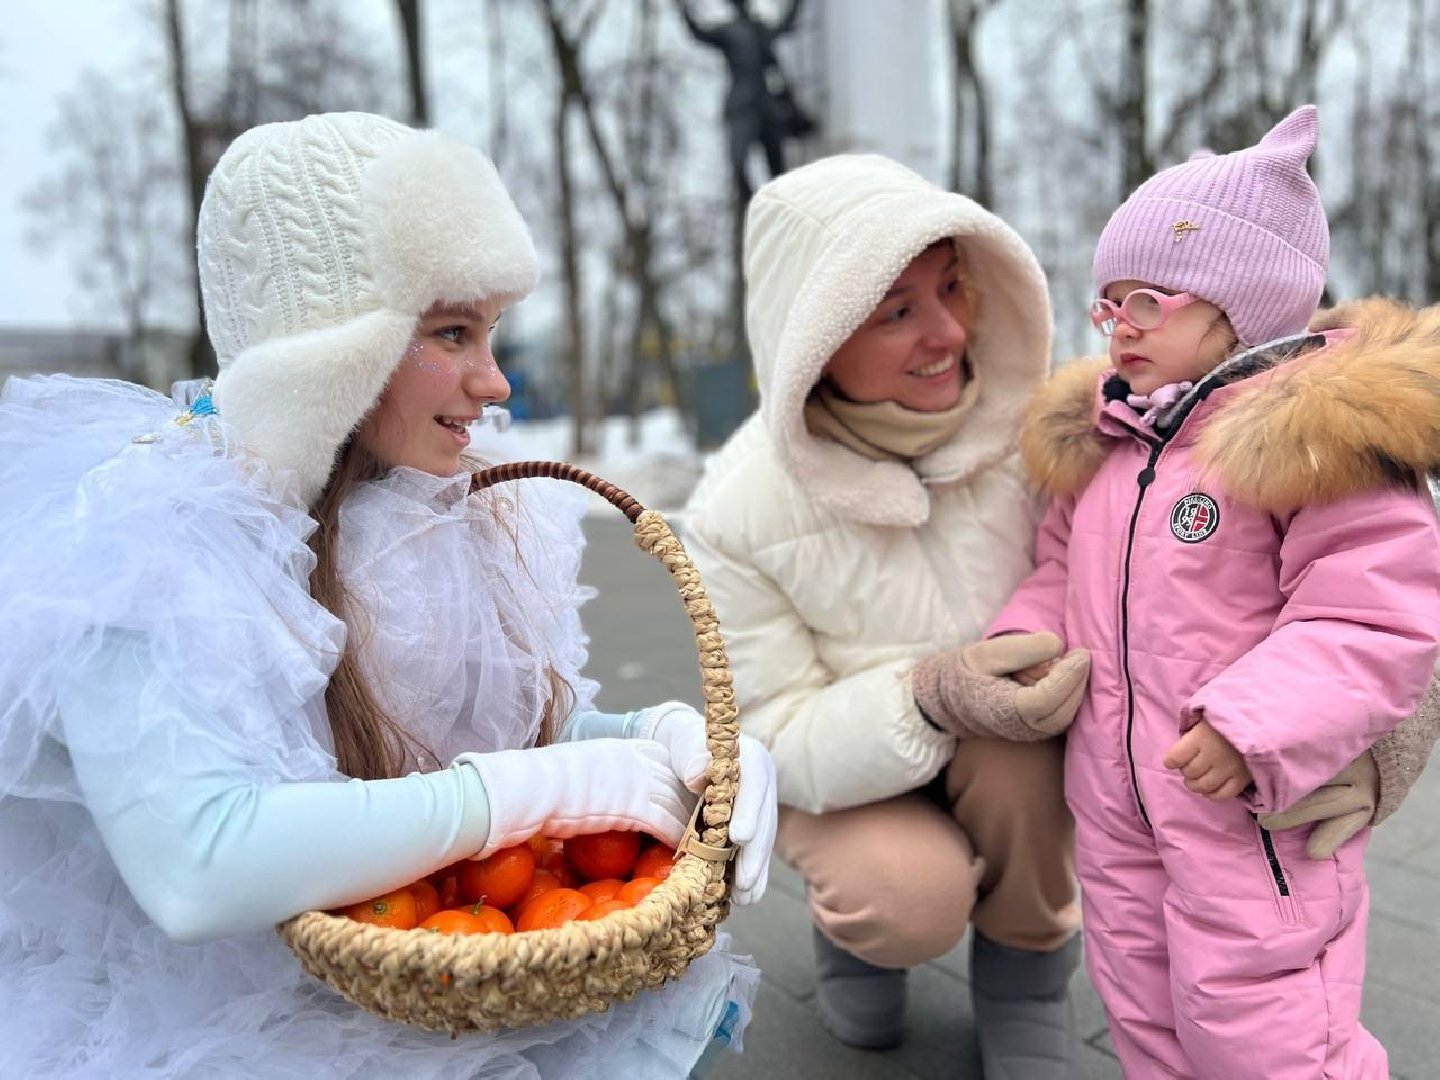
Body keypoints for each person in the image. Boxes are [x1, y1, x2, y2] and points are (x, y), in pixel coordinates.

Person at [0, 112, 778, 1078]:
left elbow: (504, 727)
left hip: (417, 955)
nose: (495, 382)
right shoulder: (148, 543)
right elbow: (197, 864)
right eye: (452, 332)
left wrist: (655, 739)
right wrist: (525, 793)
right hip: (217, 1008)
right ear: (330, 353)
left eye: (491, 333)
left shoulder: (426, 508)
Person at [922, 106, 1440, 1077]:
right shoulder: (1116, 447)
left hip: (1251, 813)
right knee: (1145, 1011)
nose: (1118, 326)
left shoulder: (1316, 444)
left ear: (1243, 303)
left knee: (1267, 1030)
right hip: (1117, 808)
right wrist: (1021, 643)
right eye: (1108, 303)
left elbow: (1370, 617)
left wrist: (1256, 724)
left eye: (1147, 303)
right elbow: (1060, 572)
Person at [682, 152, 1091, 1075]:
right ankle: (859, 941)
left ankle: (1027, 978)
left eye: (951, 287)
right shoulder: (737, 511)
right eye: (896, 311)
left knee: (1024, 756)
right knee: (905, 901)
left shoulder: (1038, 434)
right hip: (847, 783)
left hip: (1008, 759)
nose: (947, 331)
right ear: (815, 341)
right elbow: (768, 732)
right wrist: (928, 695)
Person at [676, 0, 812, 202]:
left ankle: (775, 205)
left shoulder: (760, 30)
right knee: (738, 163)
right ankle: (750, 203)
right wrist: (683, 9)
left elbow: (786, 25)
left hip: (764, 107)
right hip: (742, 107)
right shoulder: (729, 32)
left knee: (777, 170)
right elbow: (699, 34)